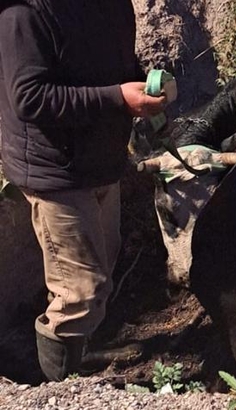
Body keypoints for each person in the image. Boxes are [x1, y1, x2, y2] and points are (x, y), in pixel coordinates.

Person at [0, 0, 166, 381]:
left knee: (102, 268)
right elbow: (29, 98)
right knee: (81, 292)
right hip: (55, 173)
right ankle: (57, 387)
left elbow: (118, 65)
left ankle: (76, 355)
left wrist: (145, 87)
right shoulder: (22, 16)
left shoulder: (112, 7)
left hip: (100, 164)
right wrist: (118, 98)